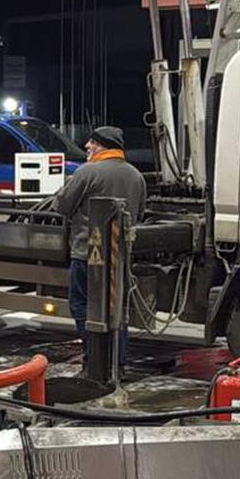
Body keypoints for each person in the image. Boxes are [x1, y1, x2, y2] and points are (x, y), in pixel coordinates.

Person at [50, 126, 147, 367]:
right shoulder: (136, 176)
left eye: (91, 143)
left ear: (102, 145)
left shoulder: (87, 172)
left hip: (87, 253)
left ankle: (95, 358)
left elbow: (61, 206)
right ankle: (117, 362)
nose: (87, 148)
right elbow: (140, 214)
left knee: (81, 305)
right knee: (117, 311)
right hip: (121, 256)